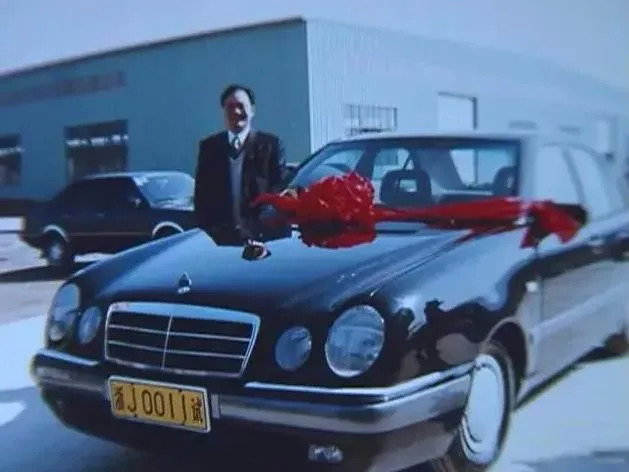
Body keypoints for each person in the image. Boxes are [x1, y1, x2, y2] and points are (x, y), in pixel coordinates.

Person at [193, 84, 287, 240]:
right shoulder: (210, 148)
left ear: (252, 110)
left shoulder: (270, 146)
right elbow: (201, 197)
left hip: (261, 239)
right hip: (220, 241)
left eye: (241, 106)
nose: (236, 112)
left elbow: (279, 190)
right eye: (230, 107)